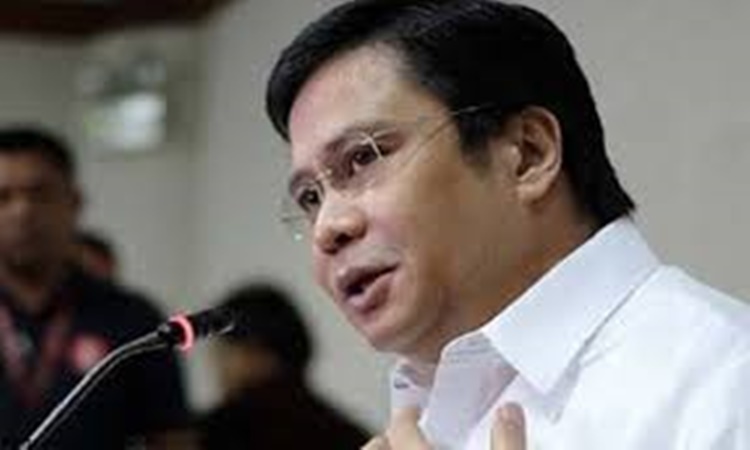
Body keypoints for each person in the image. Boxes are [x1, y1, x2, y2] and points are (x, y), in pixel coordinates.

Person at [263, 0, 750, 448]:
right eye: (310, 197)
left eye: (363, 158)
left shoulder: (723, 380)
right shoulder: (420, 414)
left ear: (527, 155)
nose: (327, 228)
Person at [0, 126, 190, 449]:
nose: (22, 211)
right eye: (3, 197)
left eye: (39, 194)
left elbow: (173, 439)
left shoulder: (133, 321)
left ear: (74, 202)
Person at [198, 281, 370, 450]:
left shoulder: (218, 432)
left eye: (222, 352)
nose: (215, 365)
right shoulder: (351, 436)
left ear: (253, 350)